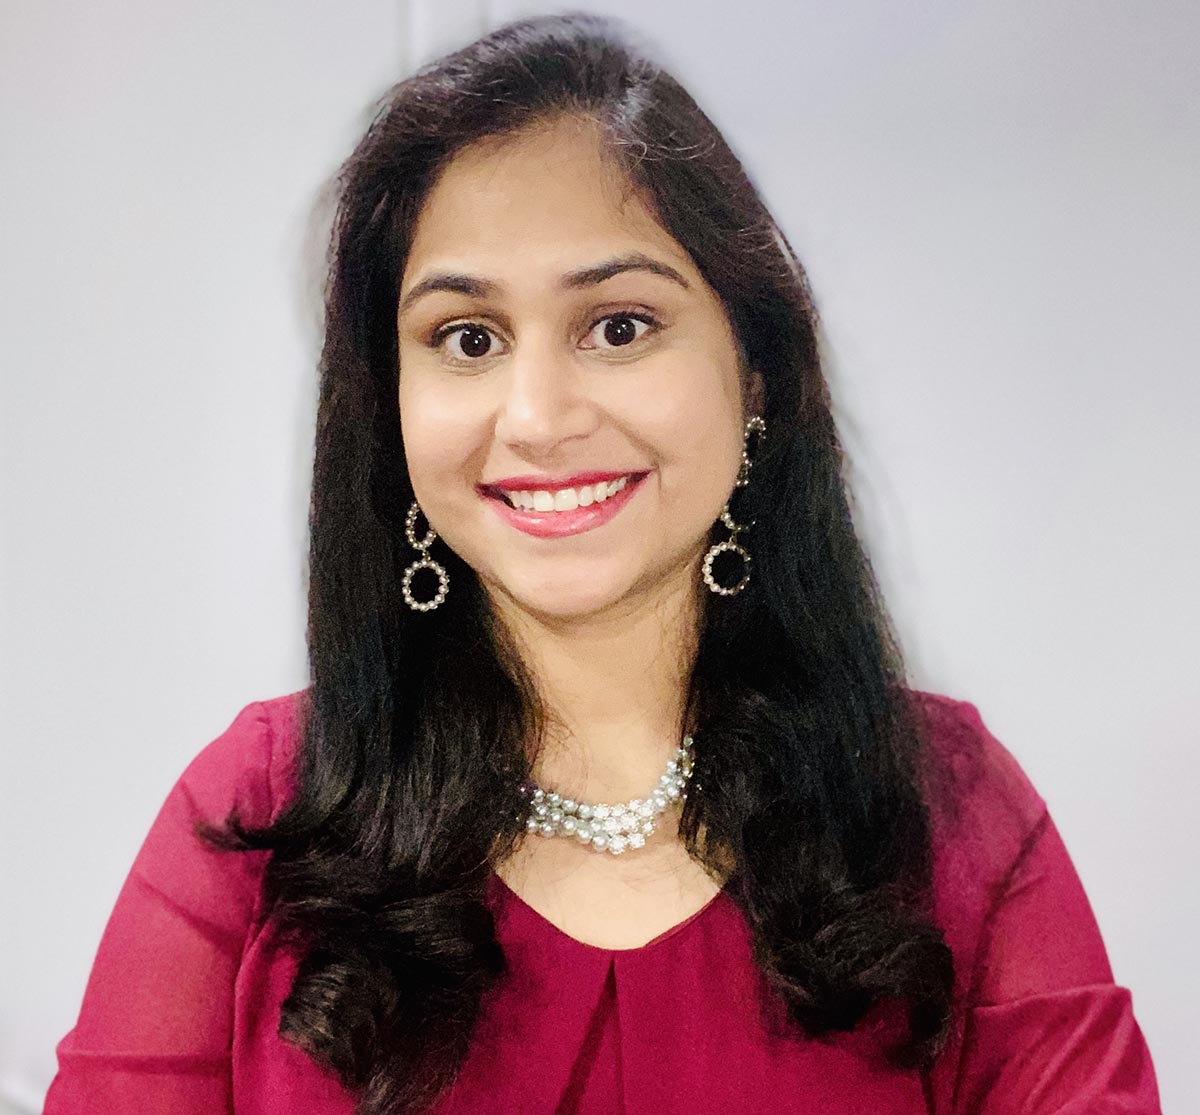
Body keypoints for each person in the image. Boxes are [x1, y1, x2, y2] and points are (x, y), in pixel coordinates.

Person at [44, 12, 1161, 1115]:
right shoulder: (252, 818)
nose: (536, 419)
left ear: (755, 367)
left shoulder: (948, 809)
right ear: (389, 405)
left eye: (619, 325)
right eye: (467, 338)